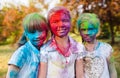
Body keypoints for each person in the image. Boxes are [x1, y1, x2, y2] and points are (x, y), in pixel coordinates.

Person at [38, 6, 84, 78]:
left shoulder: (78, 48)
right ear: (49, 25)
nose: (61, 25)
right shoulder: (45, 49)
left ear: (70, 23)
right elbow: (42, 76)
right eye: (55, 22)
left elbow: (80, 75)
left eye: (65, 20)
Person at [6, 12, 48, 78]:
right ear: (26, 34)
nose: (37, 36)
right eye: (32, 32)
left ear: (46, 31)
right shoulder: (21, 53)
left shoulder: (47, 50)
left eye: (40, 30)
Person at [77, 13, 117, 78]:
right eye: (83, 29)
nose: (87, 33)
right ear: (79, 31)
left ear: (97, 30)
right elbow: (79, 75)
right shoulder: (79, 50)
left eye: (90, 29)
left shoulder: (107, 48)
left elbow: (112, 71)